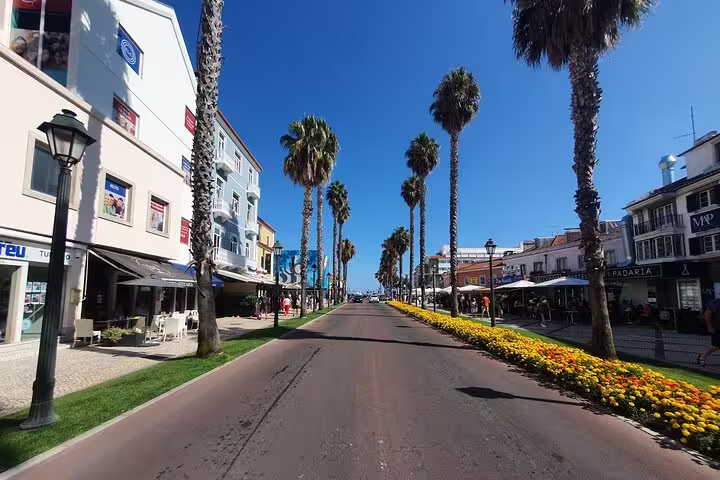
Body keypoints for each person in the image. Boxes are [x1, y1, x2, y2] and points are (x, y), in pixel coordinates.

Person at [698, 299, 720, 367]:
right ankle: (702, 357)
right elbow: (707, 314)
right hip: (717, 327)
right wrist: (709, 326)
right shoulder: (715, 303)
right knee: (716, 345)